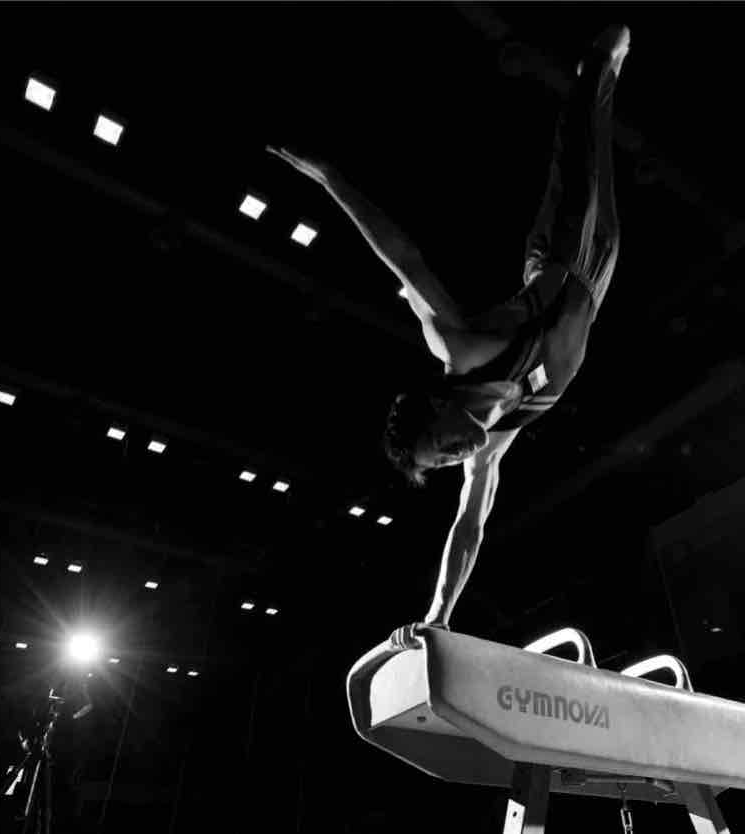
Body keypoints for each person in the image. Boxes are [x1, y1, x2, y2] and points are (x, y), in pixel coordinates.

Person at [269, 24, 629, 643]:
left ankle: (593, 66)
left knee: (581, 145)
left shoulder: (460, 350)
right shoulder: (491, 448)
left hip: (561, 251)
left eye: (443, 445)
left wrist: (331, 179)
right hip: (598, 275)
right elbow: (469, 528)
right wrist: (439, 616)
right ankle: (599, 80)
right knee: (602, 146)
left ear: (437, 407)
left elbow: (404, 258)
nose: (458, 455)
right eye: (446, 462)